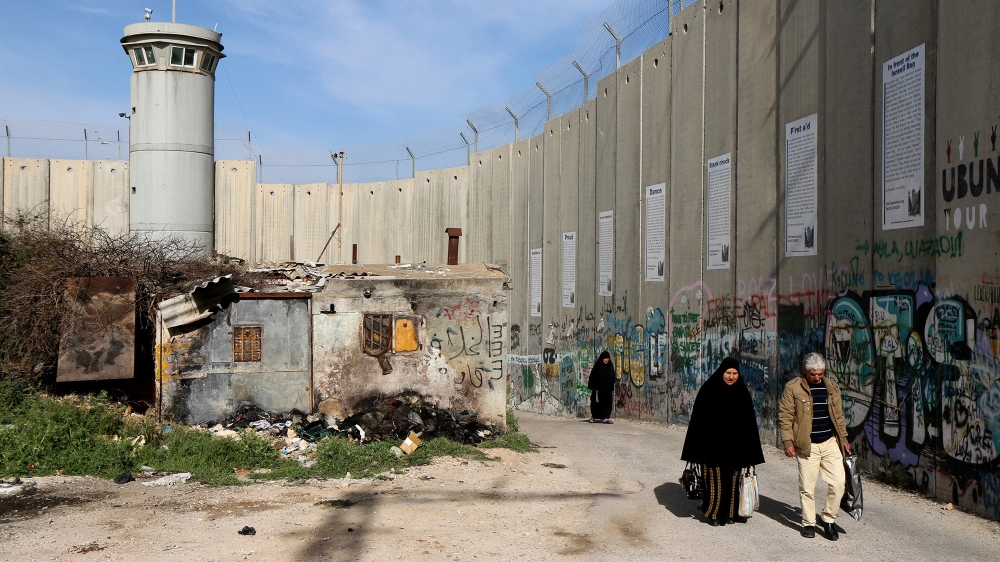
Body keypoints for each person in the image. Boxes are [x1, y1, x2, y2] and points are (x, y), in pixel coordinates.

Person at [681, 357, 765, 526]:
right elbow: (698, 421)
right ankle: (713, 513)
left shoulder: (742, 392)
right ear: (721, 372)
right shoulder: (709, 390)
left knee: (733, 482)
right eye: (728, 373)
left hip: (735, 448)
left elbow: (749, 425)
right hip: (711, 448)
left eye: (735, 373)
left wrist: (750, 453)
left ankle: (730, 513)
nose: (731, 377)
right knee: (714, 482)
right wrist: (696, 449)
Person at [779, 352, 851, 541]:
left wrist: (843, 438)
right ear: (805, 371)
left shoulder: (831, 387)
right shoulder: (793, 388)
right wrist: (788, 442)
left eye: (820, 373)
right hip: (806, 445)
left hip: (830, 442)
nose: (817, 377)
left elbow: (838, 415)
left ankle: (828, 519)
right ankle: (809, 523)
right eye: (813, 374)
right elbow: (785, 416)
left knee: (838, 483)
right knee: (807, 487)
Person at [588, 351, 616, 424]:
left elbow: (612, 377)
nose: (606, 360)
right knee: (596, 404)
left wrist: (611, 387)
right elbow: (593, 377)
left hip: (607, 390)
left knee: (607, 403)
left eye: (607, 358)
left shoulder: (610, 366)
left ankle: (605, 417)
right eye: (605, 358)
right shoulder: (598, 366)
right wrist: (594, 387)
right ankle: (593, 417)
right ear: (602, 359)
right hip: (598, 390)